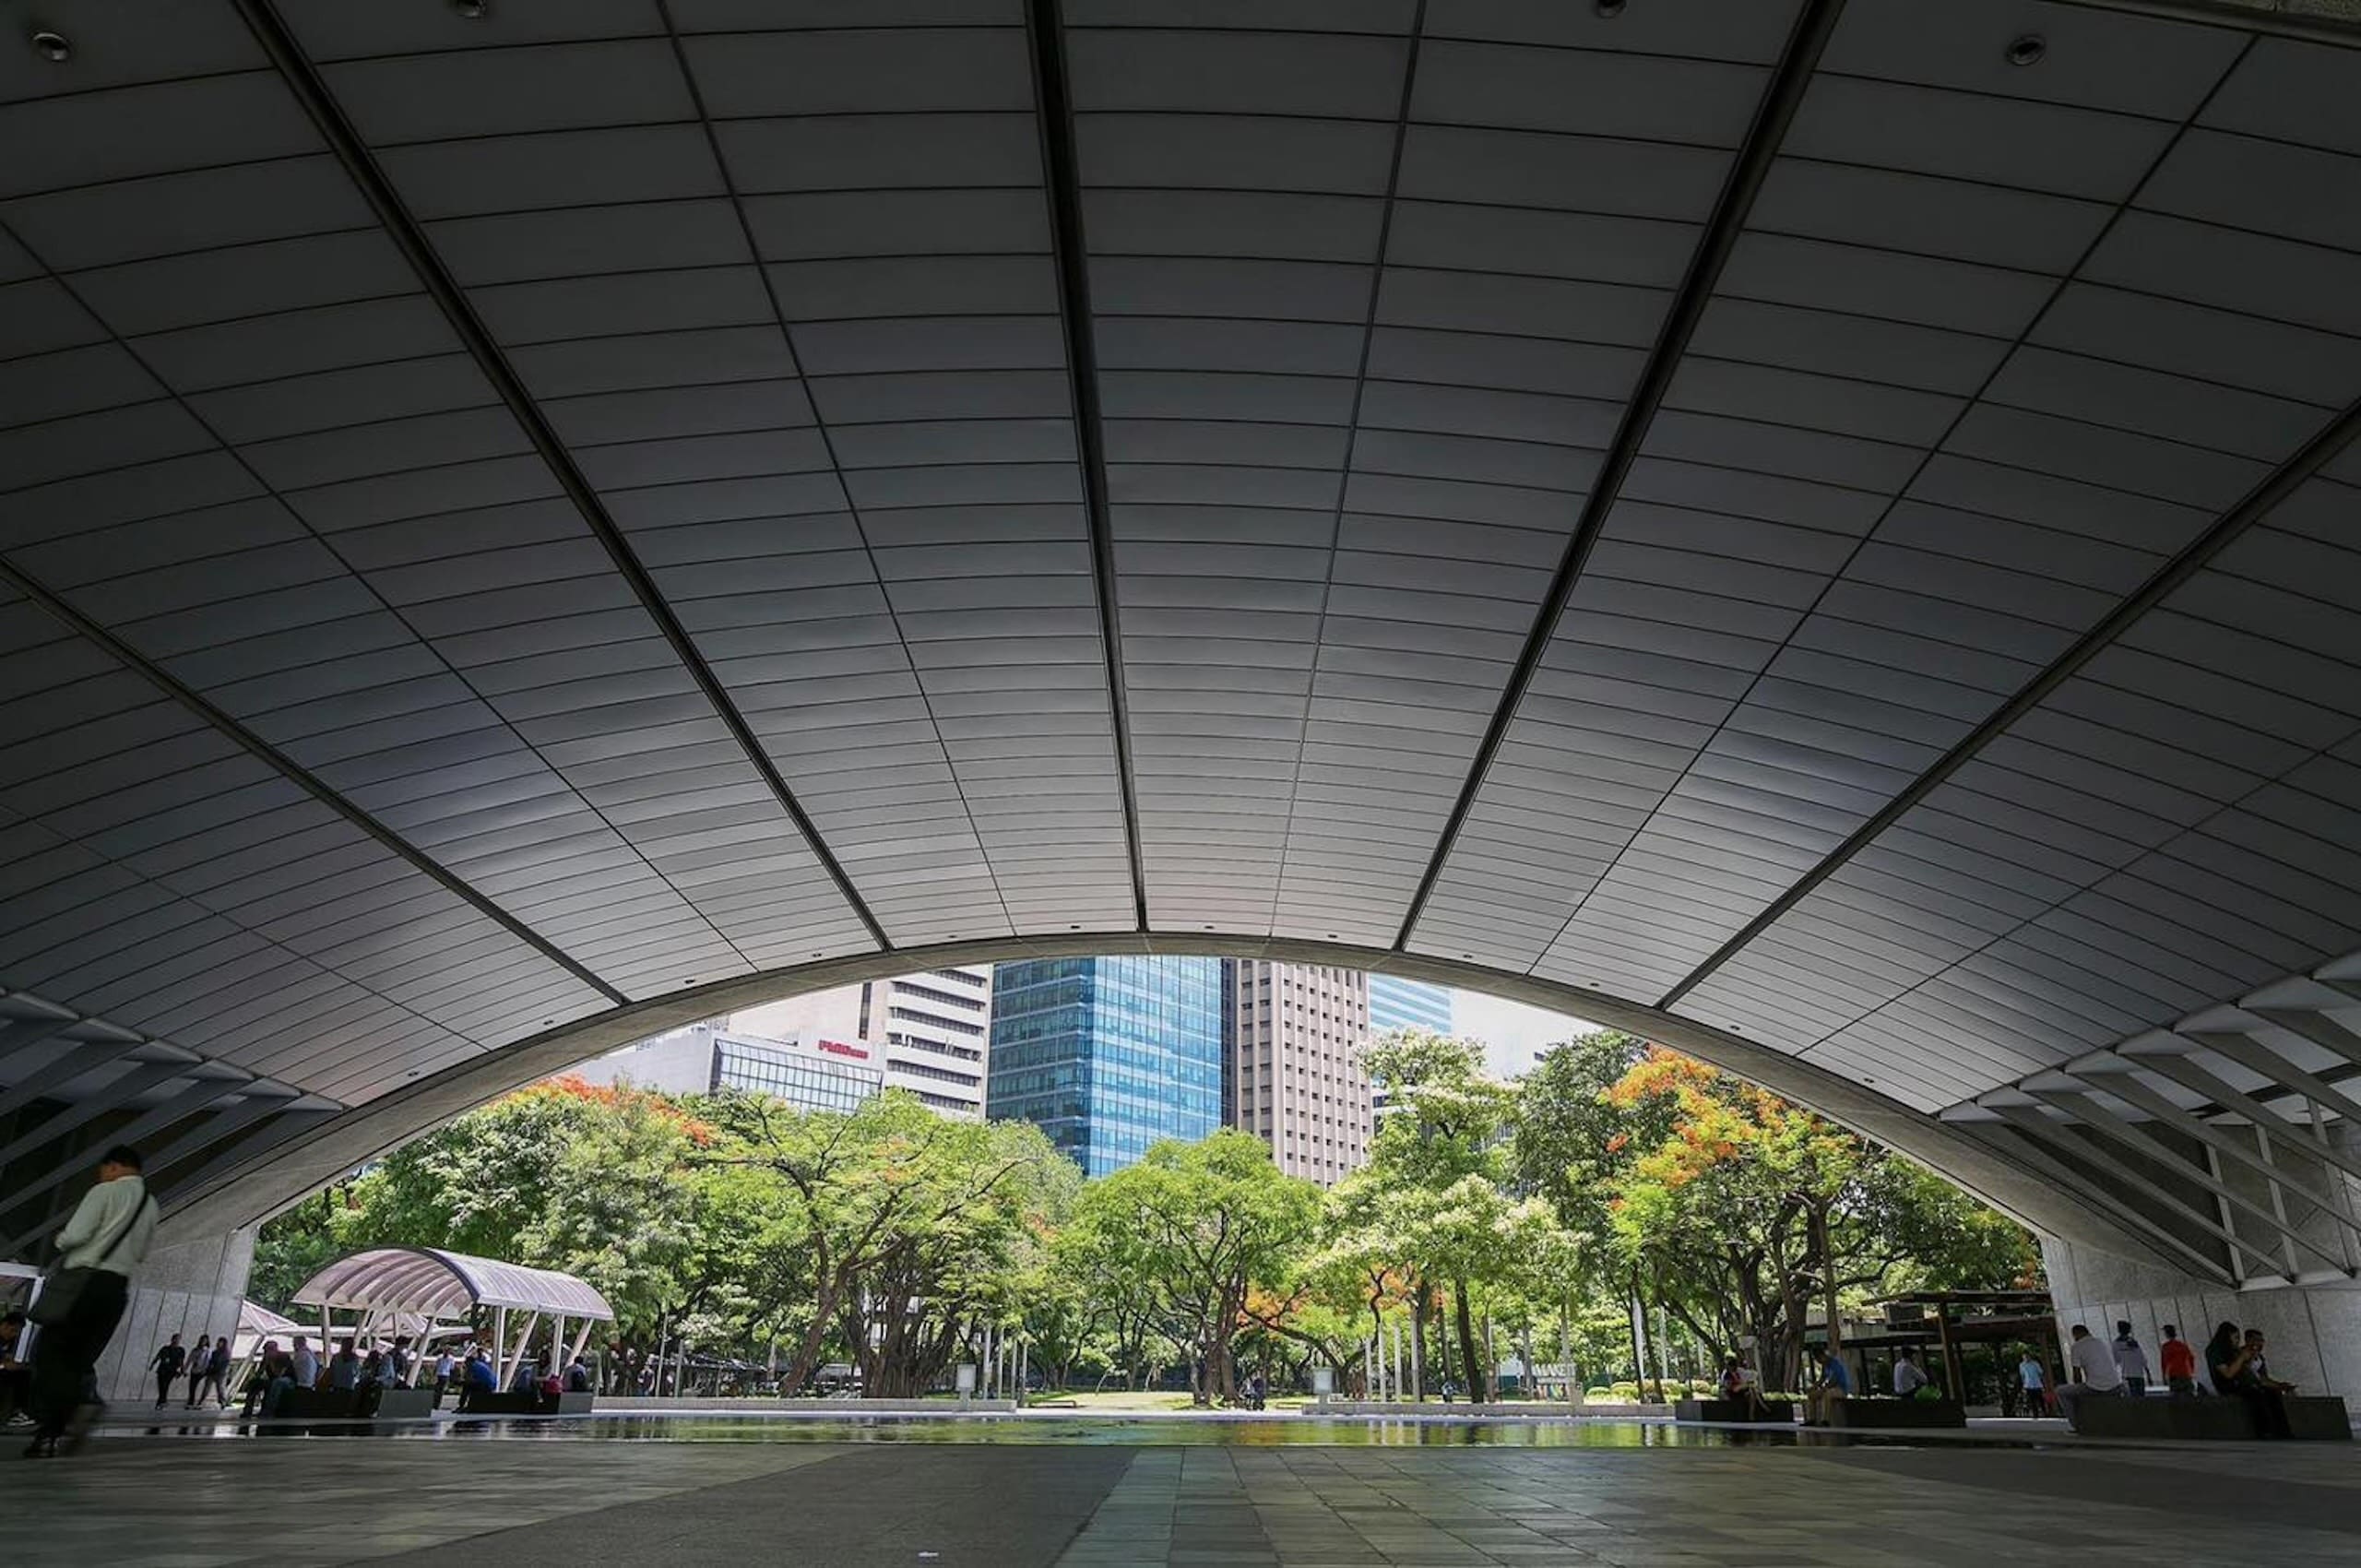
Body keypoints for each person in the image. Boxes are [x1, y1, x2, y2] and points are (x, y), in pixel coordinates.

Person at [25, 1144, 157, 1458]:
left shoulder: (104, 1192)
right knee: (79, 1360)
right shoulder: (149, 1204)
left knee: (49, 1354)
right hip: (116, 1289)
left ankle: (66, 1416)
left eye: (103, 1169)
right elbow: (140, 1253)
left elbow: (76, 1235)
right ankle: (54, 1432)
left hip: (83, 1283)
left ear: (114, 1167)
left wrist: (60, 1240)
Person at [2055, 1324, 2126, 1432]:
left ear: (2076, 1334)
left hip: (2096, 1387)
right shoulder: (2101, 1342)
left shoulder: (2077, 1347)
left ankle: (2077, 1425)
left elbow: (2077, 1374)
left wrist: (2078, 1388)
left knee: (2061, 1391)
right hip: (2116, 1385)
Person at [0, 1312, 31, 1427]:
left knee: (23, 1374)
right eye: (13, 1330)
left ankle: (19, 1411)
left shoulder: (11, 1342)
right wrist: (4, 1365)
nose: (14, 1334)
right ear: (4, 1325)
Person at [1806, 1347, 1851, 1424]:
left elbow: (1834, 1381)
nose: (1819, 1362)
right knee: (1811, 1395)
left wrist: (1823, 1389)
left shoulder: (1835, 1364)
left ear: (1822, 1356)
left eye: (1819, 1359)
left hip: (1841, 1389)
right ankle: (1811, 1419)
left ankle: (1825, 1420)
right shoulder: (1825, 1365)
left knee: (1827, 1394)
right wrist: (1813, 1387)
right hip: (1830, 1388)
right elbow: (1822, 1379)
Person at [2112, 1321, 2151, 1398]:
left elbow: (2115, 1361)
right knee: (2140, 1399)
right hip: (2139, 1374)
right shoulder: (2134, 1343)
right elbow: (2142, 1359)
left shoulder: (2116, 1344)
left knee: (2131, 1400)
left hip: (2127, 1374)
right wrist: (2148, 1374)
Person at [2159, 1324, 2198, 1397]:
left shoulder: (2166, 1347)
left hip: (2174, 1375)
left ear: (2166, 1334)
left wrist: (2164, 1376)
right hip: (2186, 1374)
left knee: (2176, 1397)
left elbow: (2164, 1363)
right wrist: (2191, 1371)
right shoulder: (2183, 1345)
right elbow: (2191, 1358)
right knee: (2189, 1396)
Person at [150, 1334, 187, 1409]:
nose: (176, 1341)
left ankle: (161, 1402)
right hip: (162, 1370)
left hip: (171, 1371)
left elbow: (181, 1361)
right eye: (175, 1339)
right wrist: (152, 1364)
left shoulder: (180, 1350)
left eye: (178, 1339)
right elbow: (158, 1356)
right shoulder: (165, 1348)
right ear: (172, 1339)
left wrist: (183, 1371)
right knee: (161, 1386)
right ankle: (161, 1402)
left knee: (165, 1386)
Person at [196, 1336, 231, 1408]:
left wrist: (220, 1370)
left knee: (219, 1388)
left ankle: (222, 1402)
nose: (218, 1343)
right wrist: (209, 1370)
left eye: (220, 1342)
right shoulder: (215, 1352)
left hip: (220, 1373)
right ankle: (201, 1400)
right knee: (207, 1387)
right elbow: (211, 1362)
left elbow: (225, 1364)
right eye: (218, 1342)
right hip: (212, 1372)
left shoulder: (226, 1353)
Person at [2017, 1348, 2050, 1416]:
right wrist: (2023, 1385)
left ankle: (2045, 1413)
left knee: (2040, 1400)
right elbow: (2022, 1376)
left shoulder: (2035, 1364)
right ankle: (2035, 1414)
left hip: (2037, 1384)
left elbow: (2041, 1373)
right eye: (2024, 1357)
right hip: (2028, 1385)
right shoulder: (2022, 1365)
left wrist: (2043, 1384)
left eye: (2027, 1356)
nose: (2026, 1358)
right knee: (2032, 1401)